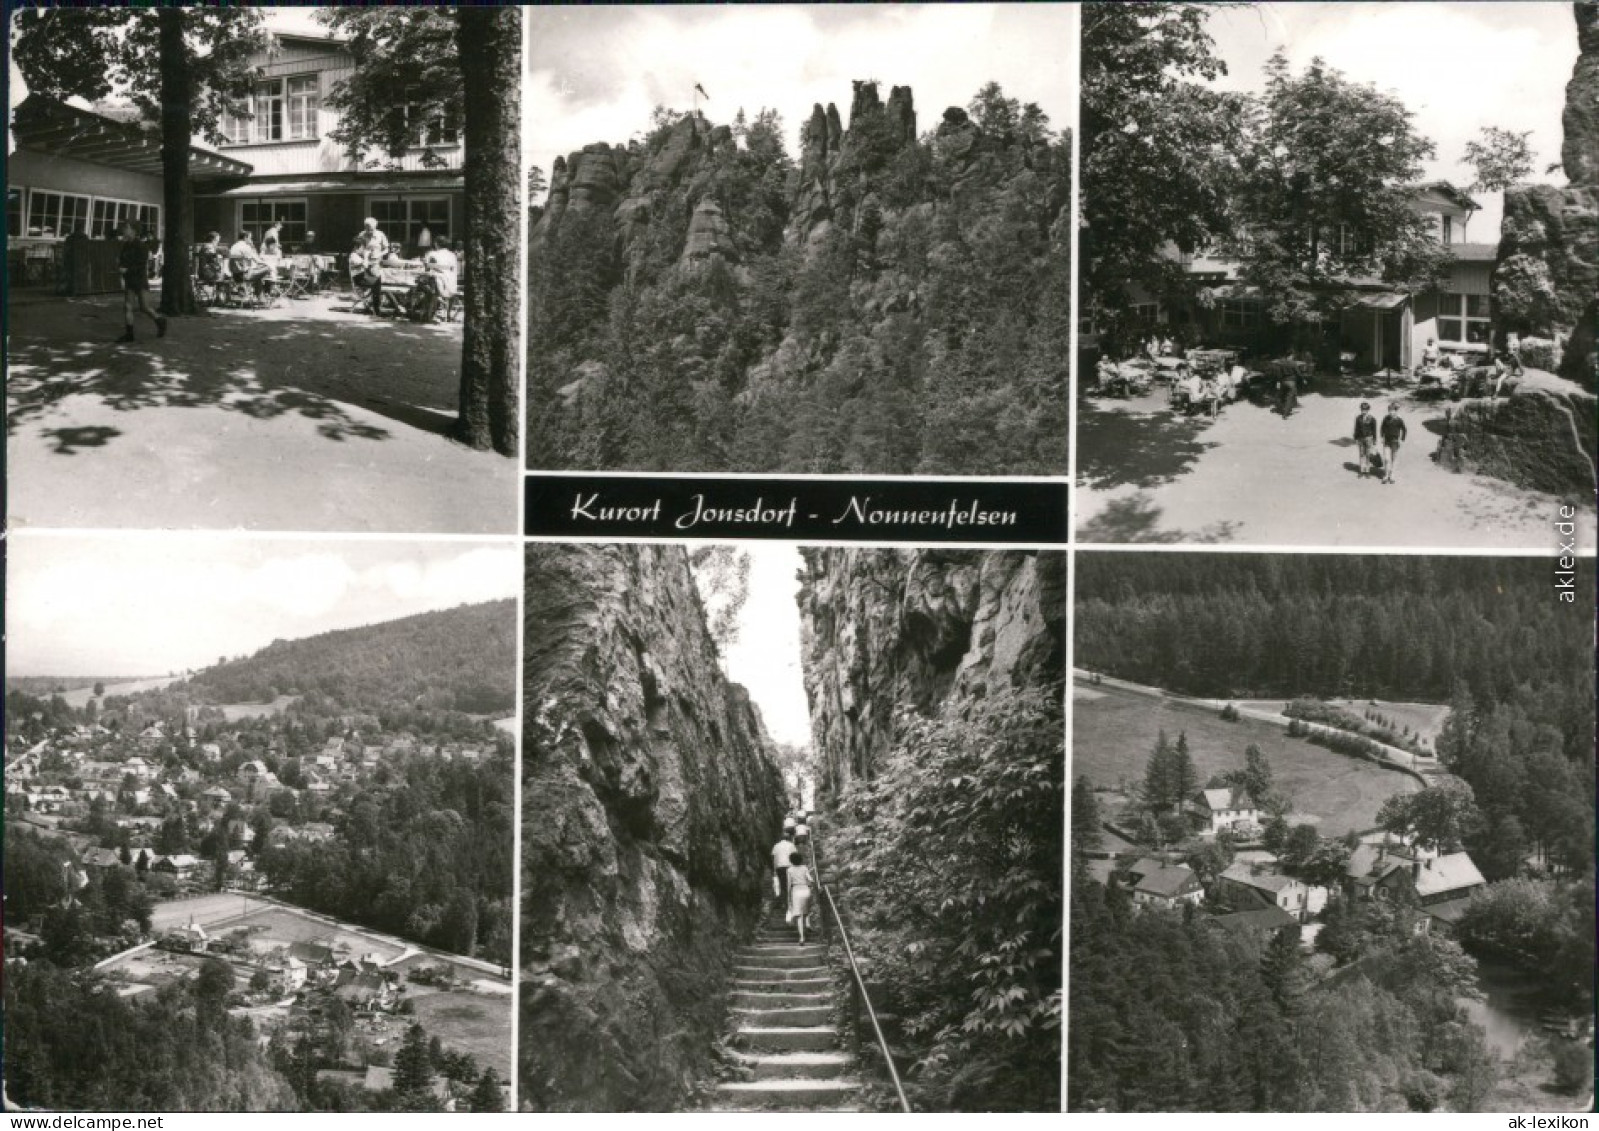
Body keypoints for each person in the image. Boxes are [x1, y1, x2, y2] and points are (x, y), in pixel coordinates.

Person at [116, 221, 167, 342]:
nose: (124, 230)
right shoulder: (125, 246)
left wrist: (127, 269)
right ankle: (129, 334)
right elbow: (122, 261)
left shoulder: (141, 246)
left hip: (139, 279)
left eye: (126, 228)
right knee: (127, 306)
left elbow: (141, 265)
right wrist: (120, 269)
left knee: (144, 307)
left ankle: (160, 320)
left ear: (133, 230)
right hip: (129, 279)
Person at [227, 230, 272, 298]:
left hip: (235, 275)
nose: (251, 240)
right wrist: (268, 264)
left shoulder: (234, 246)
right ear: (245, 238)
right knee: (267, 268)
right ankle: (264, 294)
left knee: (258, 276)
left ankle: (260, 297)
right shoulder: (246, 247)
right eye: (250, 238)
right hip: (245, 275)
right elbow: (257, 261)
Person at [786, 851, 814, 944]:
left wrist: (788, 898)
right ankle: (808, 924)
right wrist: (810, 884)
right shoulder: (804, 868)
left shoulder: (789, 870)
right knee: (806, 911)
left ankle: (802, 938)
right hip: (806, 890)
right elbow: (810, 879)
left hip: (796, 891)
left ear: (791, 860)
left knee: (798, 916)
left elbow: (789, 885)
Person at [1380, 401, 1407, 485]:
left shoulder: (1399, 420)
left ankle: (1392, 475)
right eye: (1389, 411)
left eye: (1392, 411)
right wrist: (1382, 436)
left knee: (1394, 459)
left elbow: (1404, 430)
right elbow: (1382, 428)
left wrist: (1402, 439)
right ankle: (1386, 475)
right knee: (1387, 459)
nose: (1391, 412)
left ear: (1396, 411)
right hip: (1387, 441)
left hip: (1395, 442)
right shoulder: (1386, 418)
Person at [770, 830, 797, 911]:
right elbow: (795, 856)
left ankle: (783, 904)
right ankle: (791, 903)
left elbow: (773, 857)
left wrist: (774, 869)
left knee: (782, 885)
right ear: (788, 838)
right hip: (789, 866)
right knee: (790, 884)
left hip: (779, 867)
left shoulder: (776, 846)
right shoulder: (791, 845)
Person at [1353, 401, 1378, 478]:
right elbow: (1356, 429)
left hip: (1369, 438)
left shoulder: (1372, 419)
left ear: (1368, 410)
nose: (1363, 411)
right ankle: (1361, 470)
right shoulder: (1358, 418)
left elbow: (1374, 430)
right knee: (1361, 454)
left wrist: (1374, 439)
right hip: (1360, 438)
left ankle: (1367, 471)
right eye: (1362, 409)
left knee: (1368, 455)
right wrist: (1356, 438)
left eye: (1365, 409)